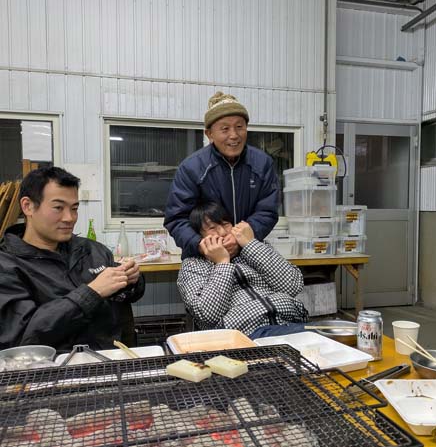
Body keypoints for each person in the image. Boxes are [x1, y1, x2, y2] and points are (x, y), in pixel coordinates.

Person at [0, 166, 145, 351]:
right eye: (58, 208)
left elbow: (129, 296)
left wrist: (132, 280)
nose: (69, 218)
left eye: (74, 208)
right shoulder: (7, 266)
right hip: (53, 365)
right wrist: (92, 292)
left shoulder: (92, 250)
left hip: (109, 359)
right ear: (28, 206)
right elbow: (22, 335)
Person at [164, 91, 280, 258]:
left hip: (249, 252)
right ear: (209, 134)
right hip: (204, 258)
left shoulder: (262, 164)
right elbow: (176, 219)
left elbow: (267, 211)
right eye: (225, 129)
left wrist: (240, 239)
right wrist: (202, 246)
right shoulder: (191, 168)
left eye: (239, 127)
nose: (234, 135)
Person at [176, 202, 309, 336]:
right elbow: (207, 315)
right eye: (212, 228)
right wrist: (222, 262)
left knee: (318, 334)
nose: (222, 232)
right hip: (244, 333)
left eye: (225, 224)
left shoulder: (254, 247)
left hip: (289, 322)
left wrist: (250, 244)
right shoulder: (193, 265)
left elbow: (292, 286)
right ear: (199, 236)